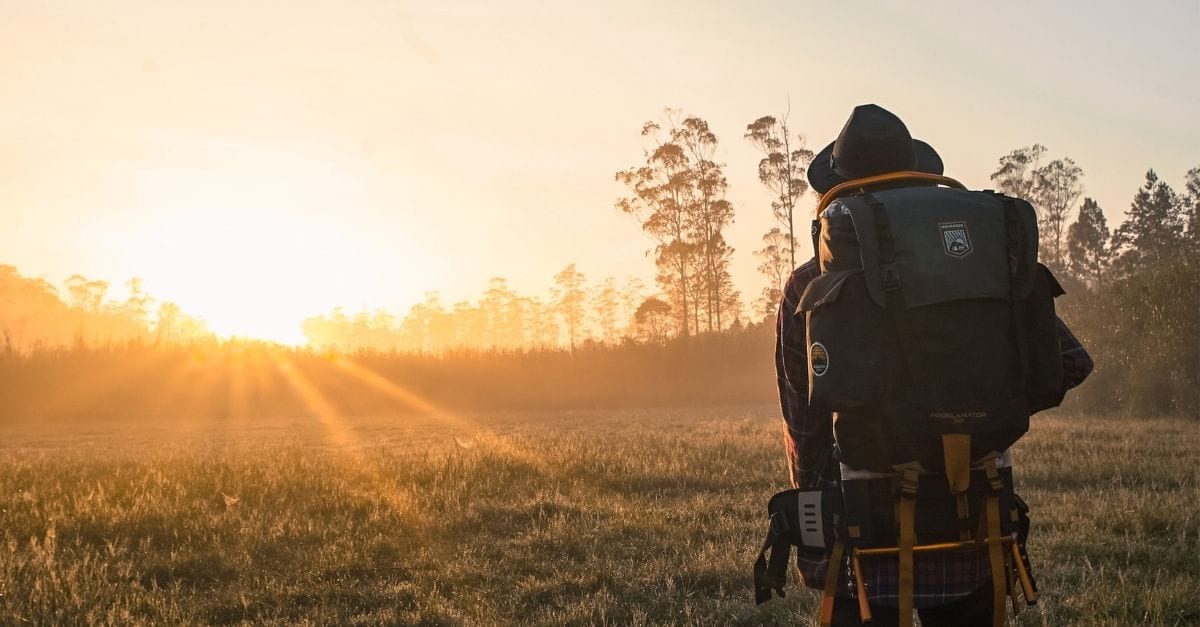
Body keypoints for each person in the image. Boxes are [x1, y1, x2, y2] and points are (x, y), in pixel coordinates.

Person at [774, 104, 1094, 626]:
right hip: (978, 523)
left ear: (843, 189)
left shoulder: (809, 283)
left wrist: (815, 538)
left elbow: (804, 423)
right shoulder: (985, 264)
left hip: (867, 535)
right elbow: (1071, 364)